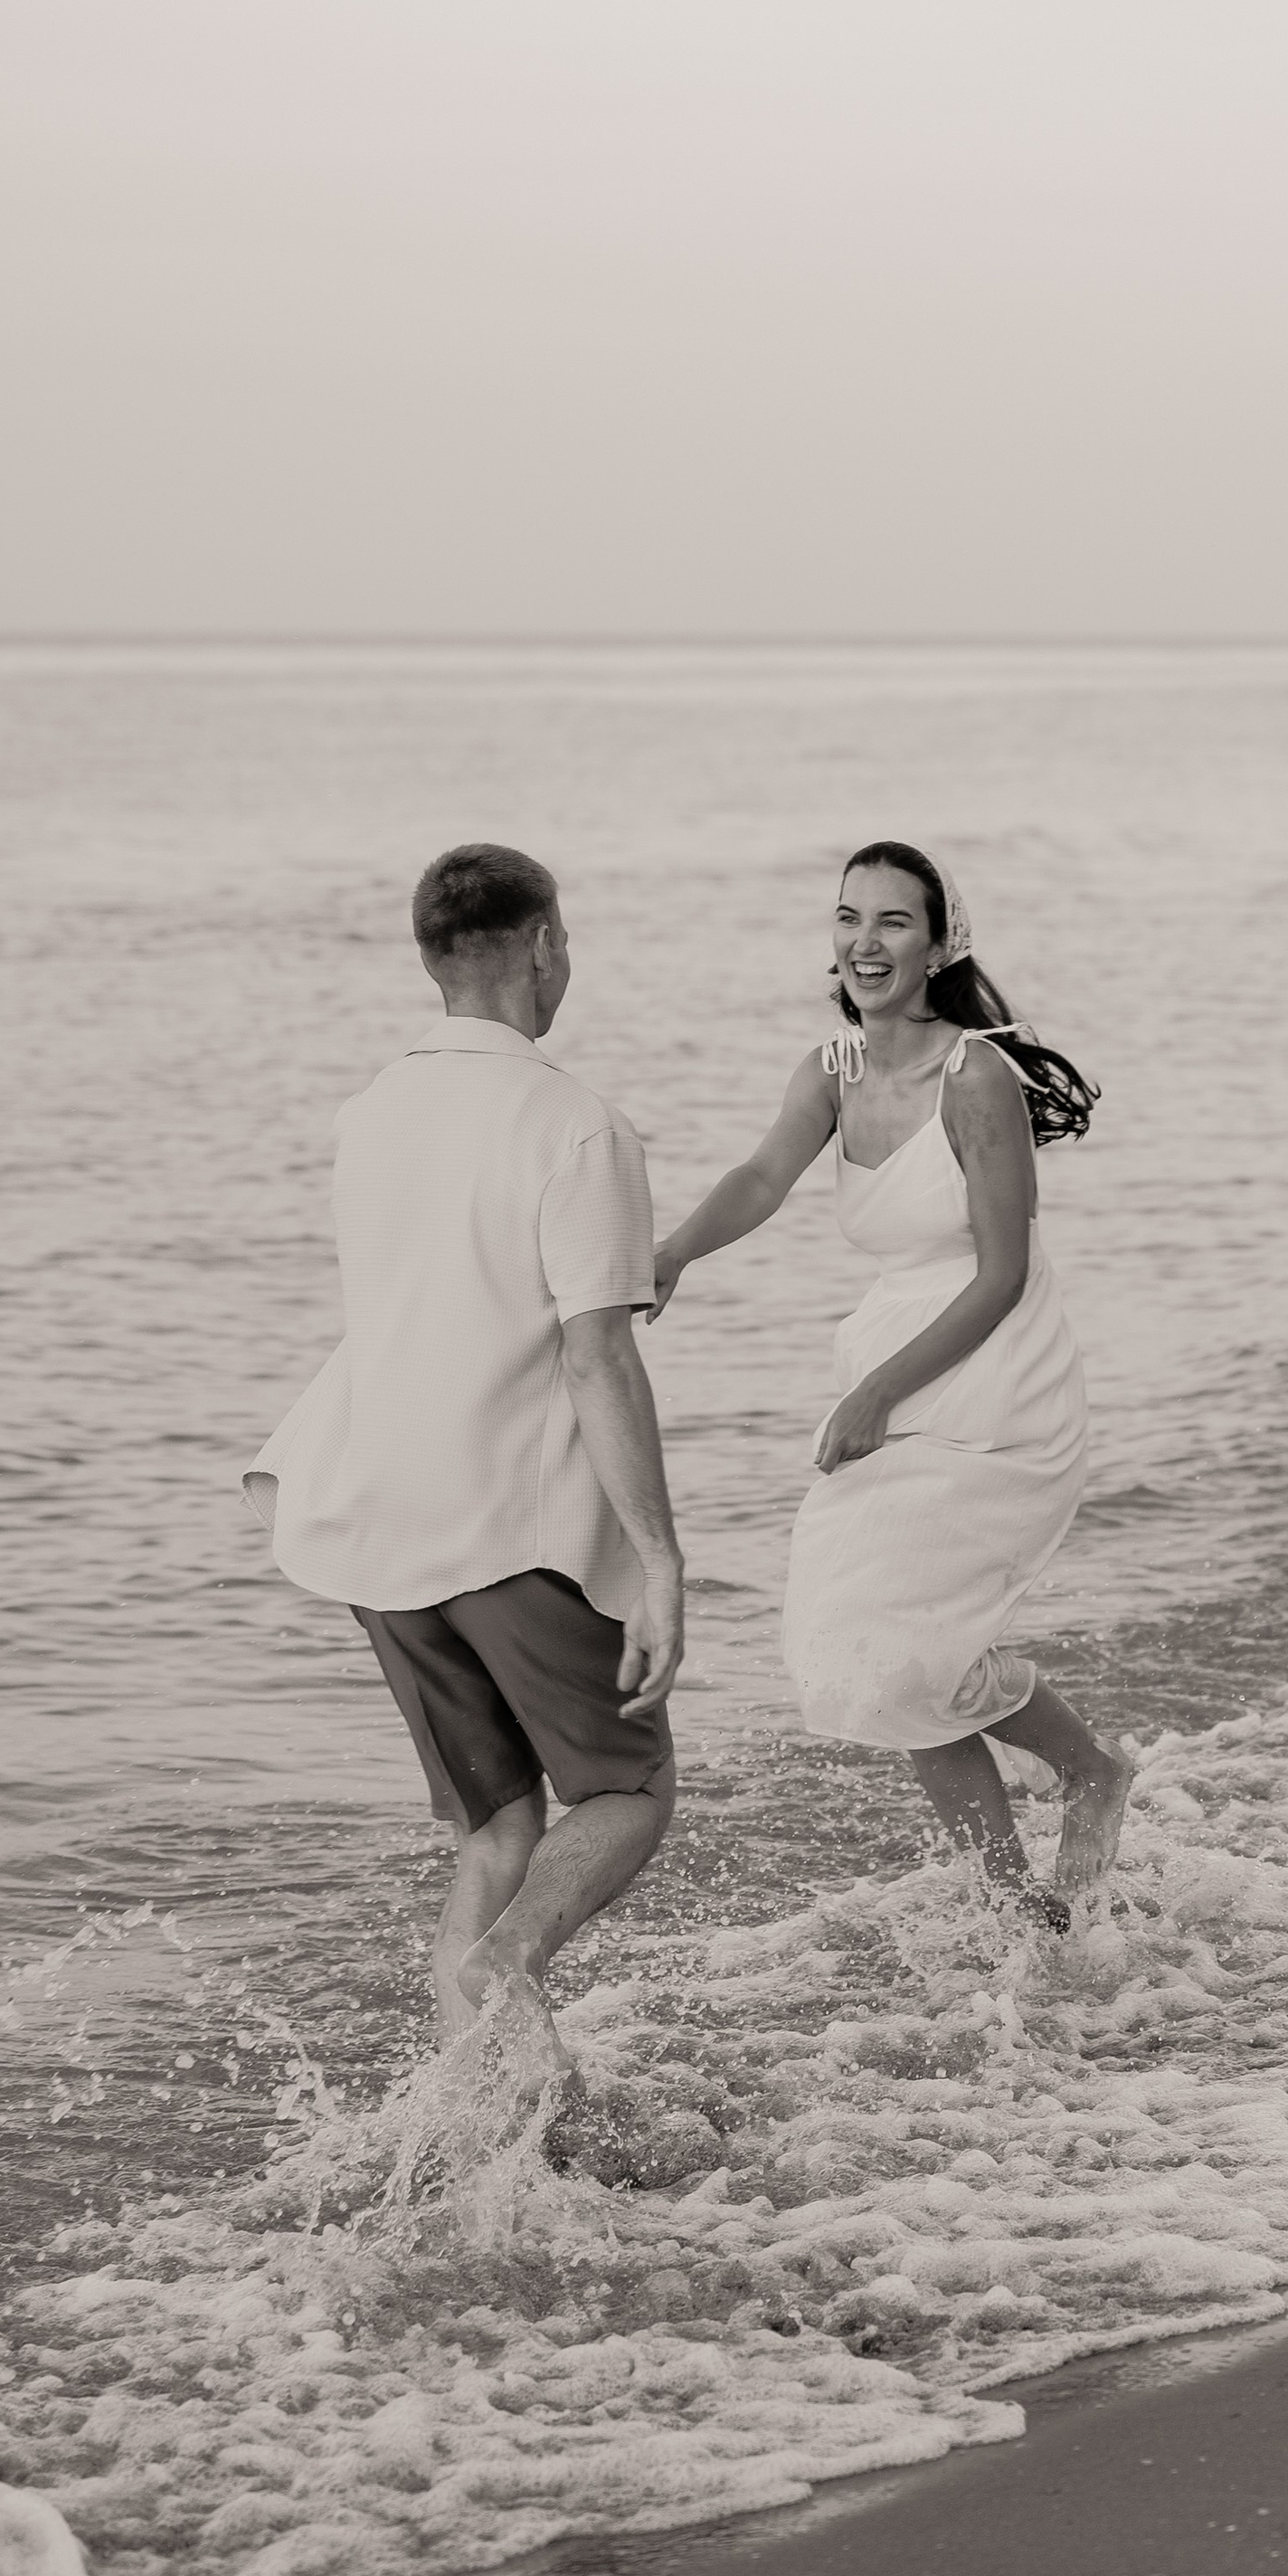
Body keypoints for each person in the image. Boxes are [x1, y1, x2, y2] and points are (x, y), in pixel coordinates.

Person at [245, 843, 683, 2061]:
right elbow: (599, 1358)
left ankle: (486, 2131)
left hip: (374, 1518)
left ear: (434, 959)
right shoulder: (577, 1125)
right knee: (623, 1795)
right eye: (565, 944)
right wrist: (659, 1560)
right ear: (543, 943)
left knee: (497, 1830)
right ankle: (508, 1971)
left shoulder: (368, 1114)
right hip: (506, 1521)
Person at [650, 841, 1129, 1934]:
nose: (865, 943)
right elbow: (762, 1175)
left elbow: (1001, 1274)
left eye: (892, 922)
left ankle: (1084, 1787)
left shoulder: (978, 1079)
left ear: (938, 943)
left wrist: (873, 1395)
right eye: (847, 918)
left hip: (993, 1377)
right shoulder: (833, 1067)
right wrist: (673, 1250)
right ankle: (1025, 1901)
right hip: (894, 1354)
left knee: (904, 1644)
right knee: (872, 1650)